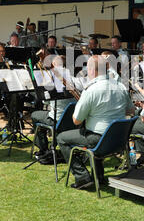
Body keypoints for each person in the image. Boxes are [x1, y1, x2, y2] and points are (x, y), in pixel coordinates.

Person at [57, 55, 135, 189]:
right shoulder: (121, 86)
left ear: (92, 70)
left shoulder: (91, 90)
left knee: (62, 138)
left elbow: (76, 120)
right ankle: (98, 176)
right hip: (118, 141)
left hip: (99, 141)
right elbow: (130, 111)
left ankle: (82, 177)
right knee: (92, 132)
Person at [31, 55, 76, 160]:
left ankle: (43, 149)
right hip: (71, 119)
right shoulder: (73, 79)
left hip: (57, 119)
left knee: (34, 115)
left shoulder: (51, 80)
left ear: (54, 65)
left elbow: (45, 101)